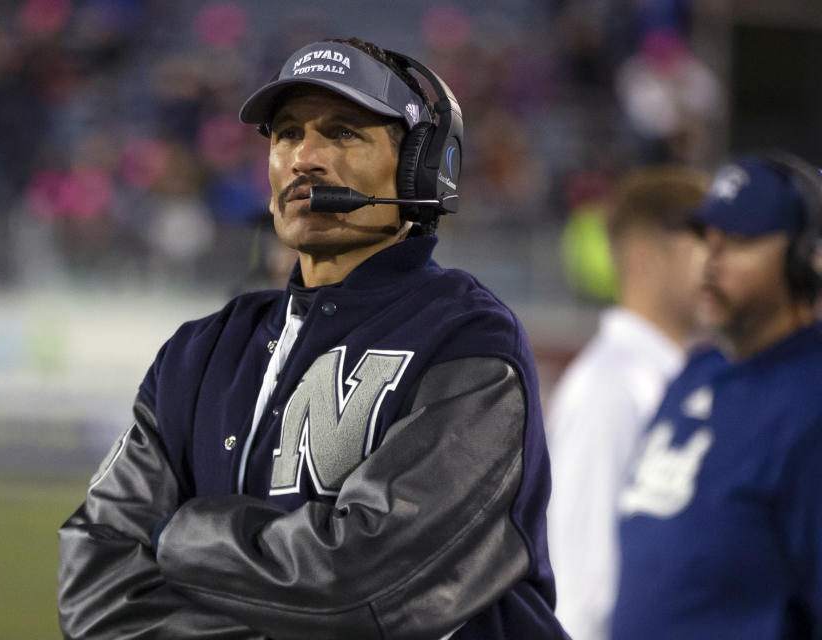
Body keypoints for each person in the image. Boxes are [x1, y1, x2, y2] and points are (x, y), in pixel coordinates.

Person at [58, 37, 567, 639]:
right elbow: (96, 593)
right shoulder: (198, 354)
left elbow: (362, 587)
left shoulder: (468, 340)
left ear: (420, 168)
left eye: (343, 132)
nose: (305, 158)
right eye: (287, 134)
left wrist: (178, 536)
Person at [612, 152, 822, 639]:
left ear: (804, 258)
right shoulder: (696, 376)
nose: (711, 260)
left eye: (739, 242)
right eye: (708, 238)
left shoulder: (811, 401)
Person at [545, 165, 710, 640]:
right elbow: (583, 587)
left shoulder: (669, 379)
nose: (718, 259)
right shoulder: (610, 387)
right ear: (644, 257)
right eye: (701, 238)